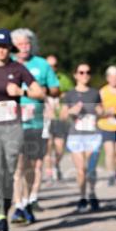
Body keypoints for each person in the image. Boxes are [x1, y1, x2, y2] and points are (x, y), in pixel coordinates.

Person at [0, 29, 45, 231]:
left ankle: (3, 212)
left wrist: (21, 91)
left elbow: (39, 93)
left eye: (4, 47)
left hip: (12, 128)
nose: (1, 50)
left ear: (10, 49)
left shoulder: (18, 69)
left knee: (8, 173)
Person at [10, 29, 60, 224]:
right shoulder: (8, 65)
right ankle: (18, 206)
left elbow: (55, 90)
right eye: (20, 44)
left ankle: (30, 199)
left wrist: (42, 91)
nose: (24, 48)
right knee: (19, 166)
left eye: (27, 44)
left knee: (36, 164)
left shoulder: (41, 64)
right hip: (14, 122)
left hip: (38, 121)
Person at [61, 64, 103, 212]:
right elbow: (63, 115)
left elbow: (100, 111)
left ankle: (92, 192)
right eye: (81, 72)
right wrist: (72, 110)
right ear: (75, 75)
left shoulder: (95, 93)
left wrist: (102, 112)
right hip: (76, 137)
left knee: (90, 169)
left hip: (93, 136)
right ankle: (82, 197)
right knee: (81, 169)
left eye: (88, 72)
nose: (85, 74)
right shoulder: (70, 94)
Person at [44, 54, 74, 182]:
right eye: (49, 66)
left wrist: (66, 103)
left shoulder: (63, 79)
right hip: (44, 118)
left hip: (59, 117)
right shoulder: (39, 78)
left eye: (54, 65)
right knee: (47, 145)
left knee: (60, 146)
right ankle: (49, 171)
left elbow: (73, 94)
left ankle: (56, 164)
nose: (52, 68)